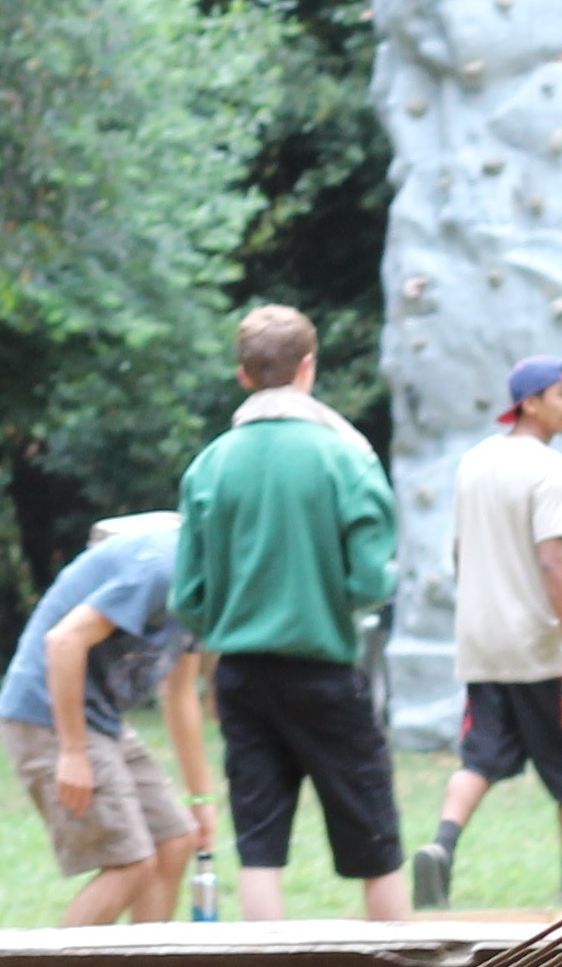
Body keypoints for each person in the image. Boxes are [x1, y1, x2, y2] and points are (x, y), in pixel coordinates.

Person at [171, 305, 409, 923]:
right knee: (374, 840)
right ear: (309, 368)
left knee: (259, 848)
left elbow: (189, 598)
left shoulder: (210, 464)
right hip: (323, 672)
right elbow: (369, 578)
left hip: (241, 680)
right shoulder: (344, 456)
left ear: (244, 375)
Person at [416, 356, 562, 909]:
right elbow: (552, 560)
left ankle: (440, 848)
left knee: (480, 758)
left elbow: (458, 551)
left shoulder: (473, 462)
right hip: (542, 650)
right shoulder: (548, 468)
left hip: (480, 645)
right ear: (530, 402)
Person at [0, 511, 212, 925]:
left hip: (101, 718)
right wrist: (73, 752)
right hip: (45, 714)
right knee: (130, 864)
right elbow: (64, 641)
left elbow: (181, 695)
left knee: (175, 840)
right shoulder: (164, 568)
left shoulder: (210, 589)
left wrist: (202, 799)